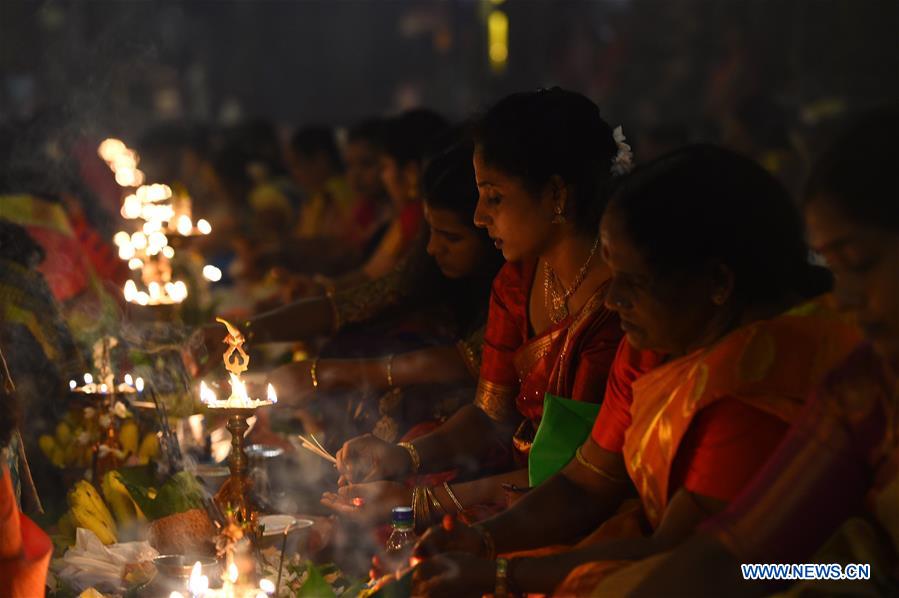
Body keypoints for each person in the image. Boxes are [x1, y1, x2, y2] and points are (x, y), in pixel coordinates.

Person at [410, 145, 861, 596]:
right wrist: (483, 542)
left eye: (634, 284)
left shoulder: (761, 378)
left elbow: (686, 557)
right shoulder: (654, 344)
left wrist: (499, 575)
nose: (610, 301)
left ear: (718, 283)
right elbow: (586, 484)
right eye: (612, 277)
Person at [596, 107, 899, 597]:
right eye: (836, 270)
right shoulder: (863, 392)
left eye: (861, 264)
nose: (844, 299)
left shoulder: (768, 370)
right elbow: (739, 554)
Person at [327, 88, 628, 526]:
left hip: (568, 503)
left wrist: (420, 503)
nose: (479, 217)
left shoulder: (618, 306)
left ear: (556, 194)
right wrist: (401, 457)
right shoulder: (517, 281)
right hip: (511, 479)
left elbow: (575, 477)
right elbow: (490, 416)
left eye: (494, 197)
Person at [261, 142, 504, 445]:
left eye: (452, 238)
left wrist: (328, 373)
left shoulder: (512, 284)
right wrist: (241, 332)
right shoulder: (426, 267)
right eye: (430, 232)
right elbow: (350, 304)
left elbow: (463, 361)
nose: (432, 248)